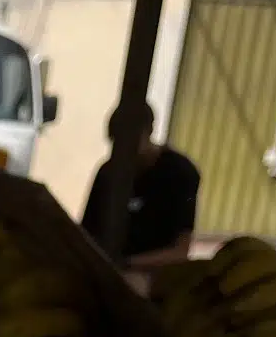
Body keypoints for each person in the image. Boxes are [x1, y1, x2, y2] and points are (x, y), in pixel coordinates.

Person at [81, 104, 201, 268]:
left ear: (149, 132)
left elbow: (180, 252)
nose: (124, 153)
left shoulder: (180, 173)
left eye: (131, 144)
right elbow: (86, 235)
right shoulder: (108, 172)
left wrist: (126, 264)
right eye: (117, 145)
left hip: (152, 273)